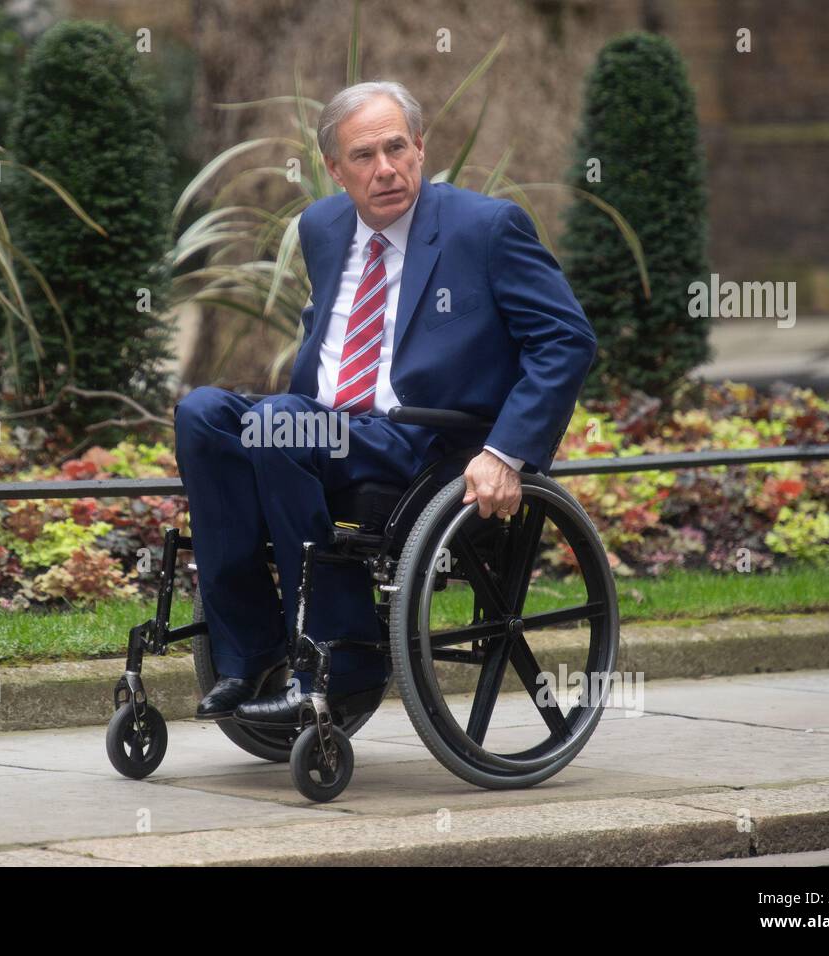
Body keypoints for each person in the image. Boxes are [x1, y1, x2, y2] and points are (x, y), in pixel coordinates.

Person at [175, 80, 597, 725]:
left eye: (397, 148)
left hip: (422, 440)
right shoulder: (320, 226)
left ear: (421, 148)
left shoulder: (484, 228)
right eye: (365, 157)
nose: (386, 169)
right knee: (202, 413)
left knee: (278, 424)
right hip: (320, 428)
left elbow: (565, 339)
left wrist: (505, 452)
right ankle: (248, 652)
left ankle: (343, 662)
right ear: (335, 169)